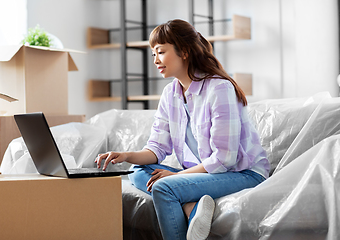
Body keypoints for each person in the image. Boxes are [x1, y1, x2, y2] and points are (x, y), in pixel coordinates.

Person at [95, 19, 270, 240]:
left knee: (163, 187)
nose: (155, 60)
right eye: (153, 54)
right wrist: (126, 155)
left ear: (184, 52)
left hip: (242, 173)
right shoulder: (171, 93)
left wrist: (174, 177)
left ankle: (188, 202)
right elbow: (158, 147)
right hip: (209, 172)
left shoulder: (219, 88)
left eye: (160, 52)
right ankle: (192, 207)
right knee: (137, 171)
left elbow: (225, 158)